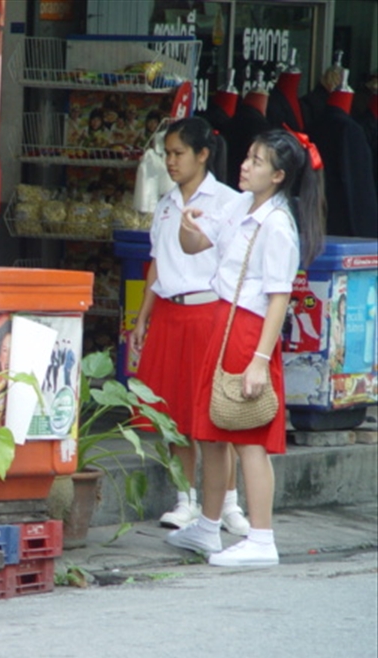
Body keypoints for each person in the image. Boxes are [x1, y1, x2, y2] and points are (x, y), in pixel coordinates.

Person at [167, 128, 325, 567]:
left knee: (248, 436)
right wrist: (187, 227)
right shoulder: (241, 205)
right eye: (248, 156)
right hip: (225, 322)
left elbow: (279, 297)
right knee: (213, 432)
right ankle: (208, 526)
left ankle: (261, 537)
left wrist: (258, 361)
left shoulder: (277, 225)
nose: (245, 165)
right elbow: (196, 245)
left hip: (249, 330)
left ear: (277, 176)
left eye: (256, 161)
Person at [129, 116, 249, 536]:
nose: (171, 161)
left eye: (179, 153)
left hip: (209, 313)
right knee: (173, 414)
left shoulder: (230, 202)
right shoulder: (165, 204)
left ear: (202, 154)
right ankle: (185, 500)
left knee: (216, 414)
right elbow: (156, 264)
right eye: (167, 154)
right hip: (169, 314)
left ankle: (229, 503)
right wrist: (142, 318)